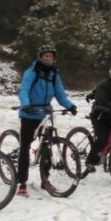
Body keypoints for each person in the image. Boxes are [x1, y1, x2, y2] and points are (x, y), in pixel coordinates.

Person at [16, 43, 77, 196]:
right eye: (46, 56)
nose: (49, 59)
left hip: (45, 113)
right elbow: (23, 89)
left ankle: (45, 179)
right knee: (25, 147)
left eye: (51, 56)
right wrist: (26, 105)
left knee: (47, 147)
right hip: (30, 114)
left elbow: (60, 93)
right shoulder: (31, 72)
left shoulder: (54, 74)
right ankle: (21, 182)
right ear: (41, 57)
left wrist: (69, 105)